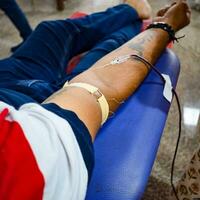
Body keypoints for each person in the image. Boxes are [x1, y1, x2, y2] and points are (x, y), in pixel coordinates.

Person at [0, 0, 191, 199]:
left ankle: (131, 9)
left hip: (6, 84)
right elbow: (98, 86)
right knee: (109, 46)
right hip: (44, 105)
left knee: (49, 30)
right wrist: (166, 25)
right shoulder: (21, 163)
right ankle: (136, 17)